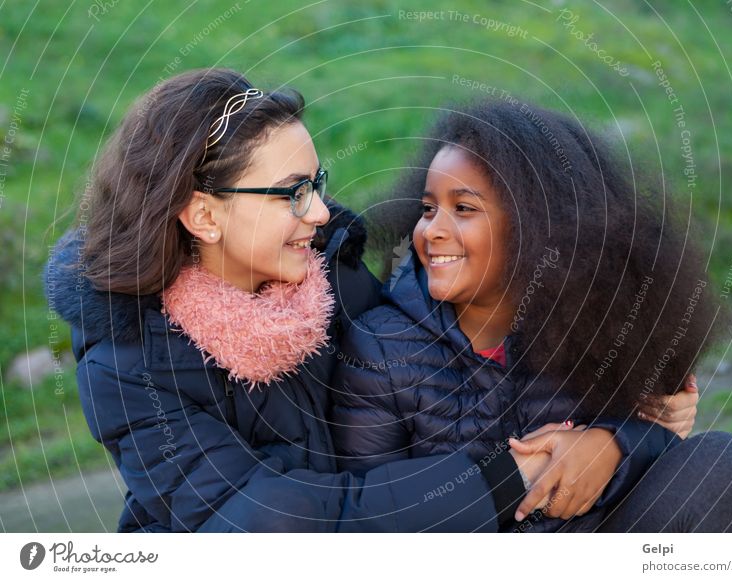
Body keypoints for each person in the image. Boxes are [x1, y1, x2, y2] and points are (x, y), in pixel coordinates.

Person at [44, 69, 562, 532]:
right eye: (292, 193)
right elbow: (263, 520)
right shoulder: (127, 362)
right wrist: (497, 481)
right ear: (203, 217)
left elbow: (451, 354)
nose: (319, 213)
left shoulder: (331, 271)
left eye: (316, 184)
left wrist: (615, 437)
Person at [331, 98, 732, 532]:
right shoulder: (381, 345)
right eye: (428, 209)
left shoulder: (600, 319)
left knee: (728, 470)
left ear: (537, 224)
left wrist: (613, 447)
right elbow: (373, 515)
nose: (433, 230)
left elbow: (661, 434)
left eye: (463, 209)